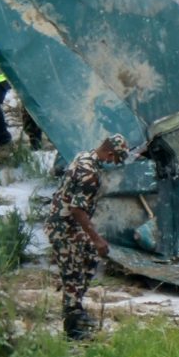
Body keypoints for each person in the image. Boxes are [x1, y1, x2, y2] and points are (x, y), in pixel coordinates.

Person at [47, 134, 128, 340]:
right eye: (115, 160)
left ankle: (76, 308)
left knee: (89, 259)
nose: (113, 164)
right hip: (66, 227)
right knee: (73, 273)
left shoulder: (84, 156)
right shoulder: (89, 174)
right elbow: (76, 209)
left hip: (69, 224)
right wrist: (97, 239)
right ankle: (73, 326)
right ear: (109, 154)